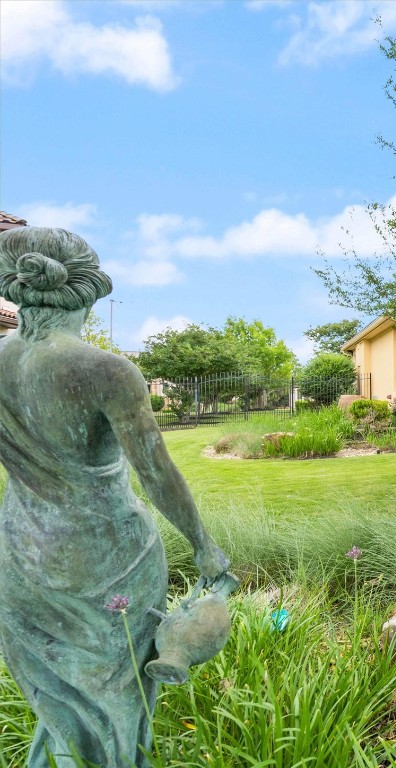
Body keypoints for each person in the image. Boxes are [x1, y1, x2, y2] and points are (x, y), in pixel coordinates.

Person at [0, 227, 230, 767]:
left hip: (19, 556)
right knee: (118, 697)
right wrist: (203, 544)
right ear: (88, 287)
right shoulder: (105, 371)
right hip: (109, 558)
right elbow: (157, 473)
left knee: (56, 702)